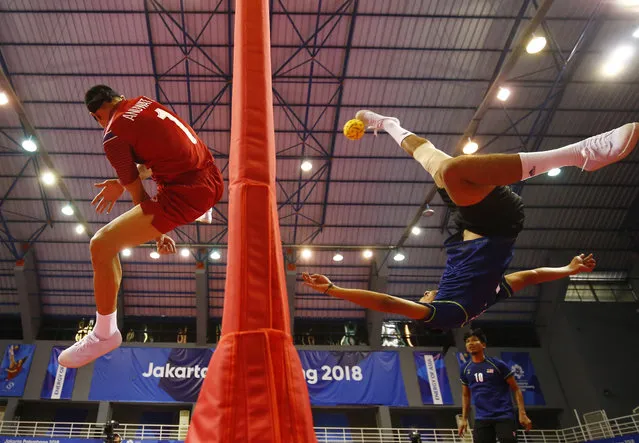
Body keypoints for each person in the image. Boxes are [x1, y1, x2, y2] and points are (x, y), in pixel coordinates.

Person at [302, 109, 636, 329]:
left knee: (433, 161)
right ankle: (581, 155)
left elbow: (531, 276)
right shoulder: (449, 314)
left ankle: (389, 124)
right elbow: (387, 302)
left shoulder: (480, 294)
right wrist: (334, 290)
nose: (422, 296)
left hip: (477, 220)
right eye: (421, 301)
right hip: (496, 224)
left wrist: (569, 269)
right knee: (451, 169)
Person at [59, 85, 224, 368]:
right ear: (117, 97)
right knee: (158, 190)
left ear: (98, 115)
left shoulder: (112, 134)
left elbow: (140, 198)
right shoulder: (146, 104)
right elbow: (161, 153)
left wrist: (159, 229)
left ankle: (104, 333)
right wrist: (122, 182)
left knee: (101, 244)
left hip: (186, 193)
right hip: (211, 175)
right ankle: (200, 210)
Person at [458, 329, 531, 443]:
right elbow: (465, 395)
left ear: (483, 345)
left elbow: (516, 389)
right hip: (481, 418)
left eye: (474, 340)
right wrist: (464, 419)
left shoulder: (498, 364)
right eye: (467, 341)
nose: (470, 343)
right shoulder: (465, 368)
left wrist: (522, 414)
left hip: (504, 416)